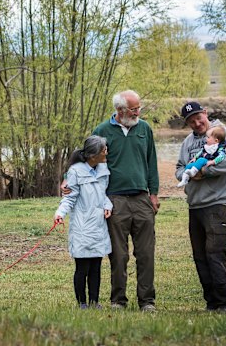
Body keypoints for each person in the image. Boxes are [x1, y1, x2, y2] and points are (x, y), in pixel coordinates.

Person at [62, 90, 160, 312]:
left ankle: (147, 301)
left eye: (138, 108)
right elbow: (86, 157)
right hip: (114, 199)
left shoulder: (144, 129)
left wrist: (153, 193)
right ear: (120, 110)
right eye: (133, 109)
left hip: (142, 198)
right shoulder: (102, 130)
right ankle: (118, 300)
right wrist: (67, 179)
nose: (138, 112)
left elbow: (151, 161)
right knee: (118, 254)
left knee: (145, 252)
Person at [175, 101, 226, 313]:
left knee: (215, 253)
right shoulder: (187, 142)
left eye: (198, 117)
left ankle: (225, 304)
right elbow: (179, 168)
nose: (196, 123)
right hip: (195, 206)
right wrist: (185, 174)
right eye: (191, 121)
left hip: (217, 204)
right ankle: (211, 303)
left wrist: (204, 173)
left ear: (205, 113)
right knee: (200, 255)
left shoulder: (222, 132)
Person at [54, 135, 113, 310]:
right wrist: (60, 213)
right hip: (82, 227)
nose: (107, 151)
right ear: (94, 154)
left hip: (99, 226)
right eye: (104, 149)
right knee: (82, 268)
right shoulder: (75, 172)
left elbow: (103, 195)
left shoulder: (103, 170)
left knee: (96, 267)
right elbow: (69, 198)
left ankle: (95, 302)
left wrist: (107, 205)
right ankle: (82, 303)